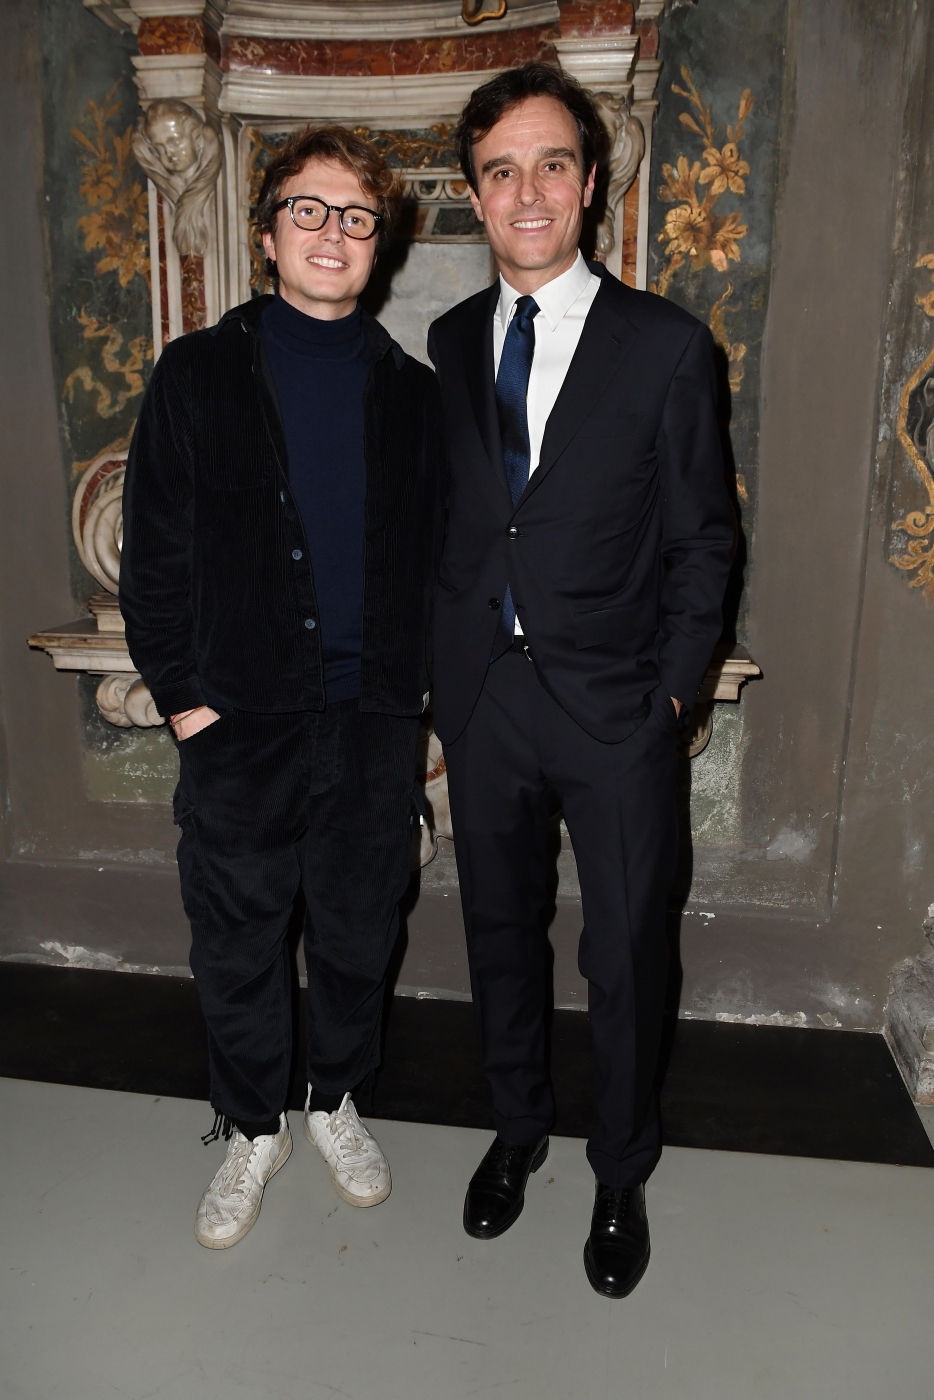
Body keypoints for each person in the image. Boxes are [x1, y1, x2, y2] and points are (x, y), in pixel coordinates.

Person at [427, 63, 734, 1297]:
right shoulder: (450, 341)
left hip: (616, 710)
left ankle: (619, 1167)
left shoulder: (666, 346)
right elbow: (456, 524)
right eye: (500, 171)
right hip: (484, 703)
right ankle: (516, 1127)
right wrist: (441, 677)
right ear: (474, 194)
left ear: (590, 182)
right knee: (498, 934)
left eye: (550, 164)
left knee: (626, 954)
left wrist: (670, 696)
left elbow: (704, 540)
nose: (527, 192)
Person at [120, 126, 444, 1249]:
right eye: (309, 209)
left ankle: (334, 1100)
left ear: (378, 243)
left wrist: (414, 701)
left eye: (356, 216)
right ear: (267, 235)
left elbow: (437, 564)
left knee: (359, 932)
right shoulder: (195, 375)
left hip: (372, 723)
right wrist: (185, 700)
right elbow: (153, 557)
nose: (332, 233)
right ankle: (252, 1124)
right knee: (237, 938)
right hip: (237, 721)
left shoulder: (414, 396)